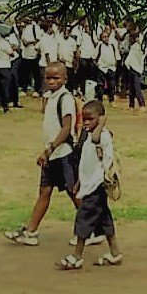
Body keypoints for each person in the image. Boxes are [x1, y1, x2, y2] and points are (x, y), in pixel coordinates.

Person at [4, 63, 79, 246]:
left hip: (63, 153)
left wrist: (50, 149)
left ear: (65, 79)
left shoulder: (66, 98)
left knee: (74, 192)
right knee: (45, 191)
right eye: (49, 78)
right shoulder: (50, 97)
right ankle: (31, 231)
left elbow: (66, 128)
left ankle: (92, 228)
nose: (52, 81)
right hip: (52, 153)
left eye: (56, 78)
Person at [55, 100, 124, 270]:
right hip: (90, 183)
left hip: (98, 186)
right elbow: (86, 162)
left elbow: (95, 140)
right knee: (104, 220)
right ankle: (115, 253)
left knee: (83, 218)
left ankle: (76, 256)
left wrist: (101, 123)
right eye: (84, 119)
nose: (86, 123)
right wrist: (79, 181)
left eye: (90, 119)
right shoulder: (88, 135)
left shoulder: (101, 135)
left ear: (100, 119)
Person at [124, 30, 147, 112]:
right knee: (132, 89)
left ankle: (142, 104)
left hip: (136, 69)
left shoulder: (138, 46)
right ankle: (131, 105)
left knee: (137, 88)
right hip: (132, 68)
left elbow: (143, 52)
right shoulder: (133, 46)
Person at [95, 29, 119, 104]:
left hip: (111, 68)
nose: (106, 38)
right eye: (104, 37)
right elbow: (94, 57)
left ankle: (111, 100)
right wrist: (98, 65)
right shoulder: (100, 45)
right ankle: (100, 100)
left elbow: (117, 57)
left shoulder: (112, 45)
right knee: (100, 85)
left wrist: (115, 65)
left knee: (112, 85)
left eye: (107, 36)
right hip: (102, 68)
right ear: (101, 38)